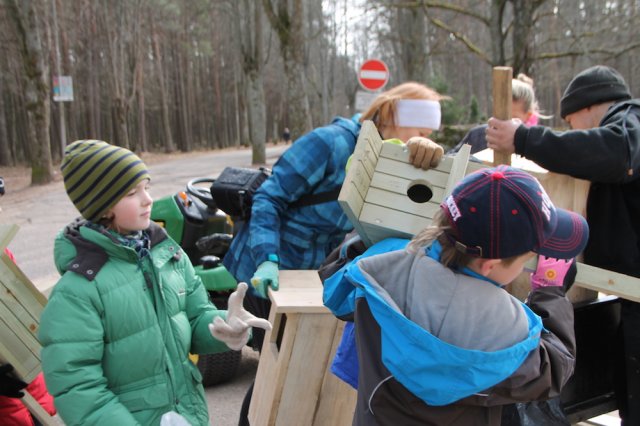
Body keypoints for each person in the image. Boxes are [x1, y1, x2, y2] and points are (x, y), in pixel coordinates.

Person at [223, 82, 447, 425]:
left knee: (304, 364)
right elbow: (269, 199)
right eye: (422, 128)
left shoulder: (389, 160)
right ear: (393, 113)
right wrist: (267, 258)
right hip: (267, 269)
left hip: (314, 276)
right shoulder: (329, 143)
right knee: (277, 363)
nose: (426, 136)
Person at [323, 165, 589, 425]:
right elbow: (554, 367)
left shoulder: (380, 267)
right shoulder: (502, 324)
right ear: (490, 265)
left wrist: (383, 236)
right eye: (526, 259)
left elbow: (335, 280)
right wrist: (549, 290)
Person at [38, 140, 271, 425]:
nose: (148, 199)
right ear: (102, 205)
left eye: (146, 187)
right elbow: (77, 387)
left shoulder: (168, 255)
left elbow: (196, 317)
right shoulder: (78, 291)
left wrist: (225, 328)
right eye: (132, 193)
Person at [486, 64, 639, 425]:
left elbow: (612, 153)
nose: (573, 132)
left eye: (570, 124)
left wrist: (524, 139)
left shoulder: (631, 121)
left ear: (584, 107)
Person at [449, 73, 545, 155]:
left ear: (528, 115)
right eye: (502, 117)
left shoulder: (535, 147)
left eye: (513, 119)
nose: (506, 125)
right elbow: (449, 162)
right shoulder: (477, 136)